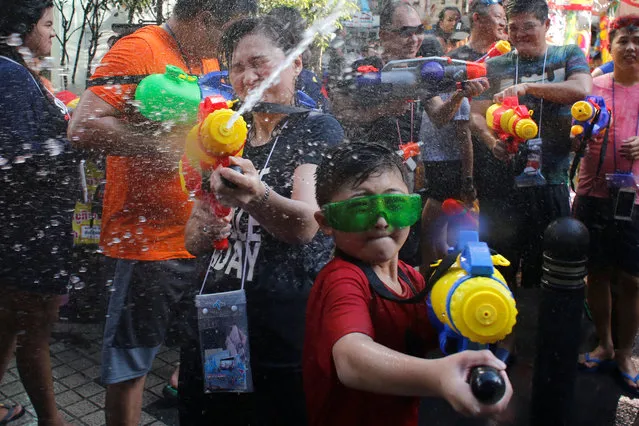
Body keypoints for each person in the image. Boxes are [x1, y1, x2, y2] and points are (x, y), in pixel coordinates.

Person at [67, 0, 256, 424]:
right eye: (228, 31)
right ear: (206, 17)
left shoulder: (208, 57)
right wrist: (173, 144)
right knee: (130, 369)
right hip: (146, 245)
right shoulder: (139, 49)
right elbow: (81, 127)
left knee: (221, 363)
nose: (230, 47)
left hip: (210, 241)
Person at [178, 15, 344, 425]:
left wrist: (255, 195)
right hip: (215, 320)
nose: (248, 76)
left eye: (259, 62)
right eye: (236, 67)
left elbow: (307, 225)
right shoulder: (222, 131)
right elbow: (192, 239)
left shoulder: (317, 128)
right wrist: (205, 225)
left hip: (282, 330)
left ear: (297, 62)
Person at [304, 142, 512, 426]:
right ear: (326, 222)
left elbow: (439, 332)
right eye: (359, 208)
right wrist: (438, 376)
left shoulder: (408, 277)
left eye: (395, 205)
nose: (380, 221)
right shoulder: (342, 279)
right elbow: (351, 359)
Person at [331, 2, 488, 264]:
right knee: (369, 255)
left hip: (407, 175)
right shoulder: (364, 69)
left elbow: (439, 117)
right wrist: (384, 109)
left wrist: (460, 94)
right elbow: (341, 115)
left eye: (418, 30)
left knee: (406, 253)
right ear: (384, 35)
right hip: (367, 178)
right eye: (405, 31)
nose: (414, 39)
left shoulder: (422, 70)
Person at [471, 0, 592, 289]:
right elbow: (476, 114)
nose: (520, 34)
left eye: (529, 26)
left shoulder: (567, 54)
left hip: (551, 180)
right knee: (499, 264)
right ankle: (498, 328)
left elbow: (581, 88)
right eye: (513, 28)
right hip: (502, 183)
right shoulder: (495, 65)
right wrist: (491, 143)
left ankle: (539, 328)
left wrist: (527, 88)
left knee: (549, 267)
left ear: (547, 25)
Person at [0, 1, 77, 425]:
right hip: (27, 233)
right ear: (24, 26)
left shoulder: (20, 74)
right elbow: (17, 160)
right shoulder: (9, 75)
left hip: (25, 230)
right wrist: (77, 143)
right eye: (48, 24)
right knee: (35, 331)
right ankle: (53, 420)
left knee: (10, 324)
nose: (52, 34)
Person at [573, 15, 639, 396]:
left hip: (635, 201)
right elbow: (574, 137)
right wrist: (579, 138)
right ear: (609, 46)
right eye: (623, 40)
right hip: (592, 193)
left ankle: (626, 352)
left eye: (637, 40)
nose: (630, 47)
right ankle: (605, 344)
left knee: (631, 279)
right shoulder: (594, 87)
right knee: (596, 273)